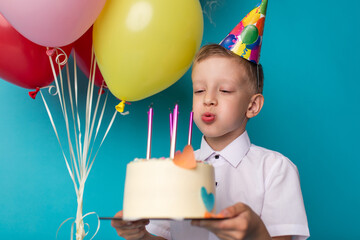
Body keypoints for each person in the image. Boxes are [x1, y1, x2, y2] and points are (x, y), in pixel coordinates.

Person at [112, 1, 309, 239]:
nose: (209, 100)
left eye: (224, 90)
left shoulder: (276, 169)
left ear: (252, 105)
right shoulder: (176, 170)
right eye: (199, 91)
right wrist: (140, 235)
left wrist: (255, 231)